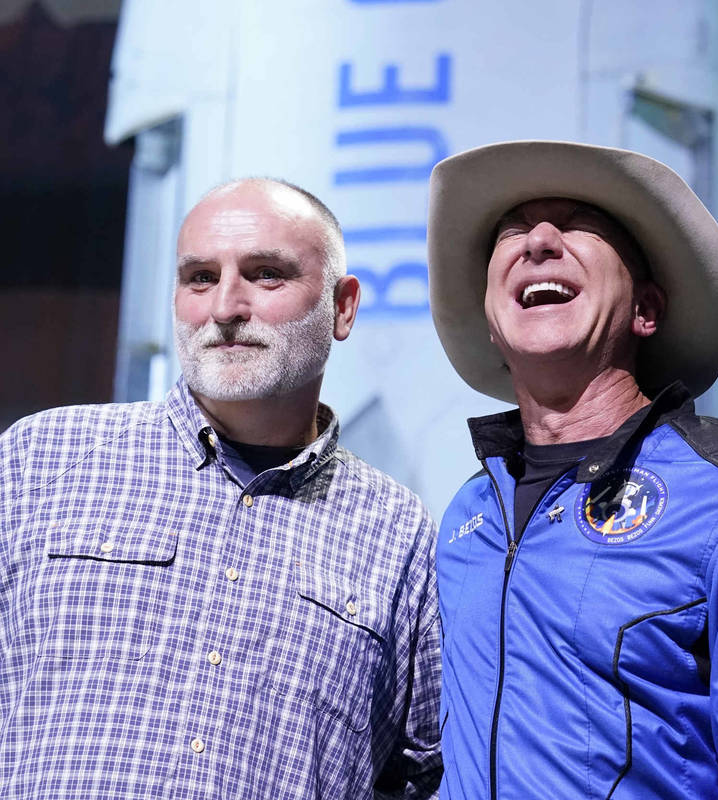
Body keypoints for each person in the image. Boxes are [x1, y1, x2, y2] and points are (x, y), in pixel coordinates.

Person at [427, 140, 718, 800]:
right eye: (512, 229)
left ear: (646, 309)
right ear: (491, 322)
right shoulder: (468, 514)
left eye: (577, 222)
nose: (539, 239)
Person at [0, 178, 441, 798]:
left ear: (342, 307)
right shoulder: (42, 460)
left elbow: (420, 778)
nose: (225, 307)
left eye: (266, 274)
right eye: (200, 278)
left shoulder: (398, 535)